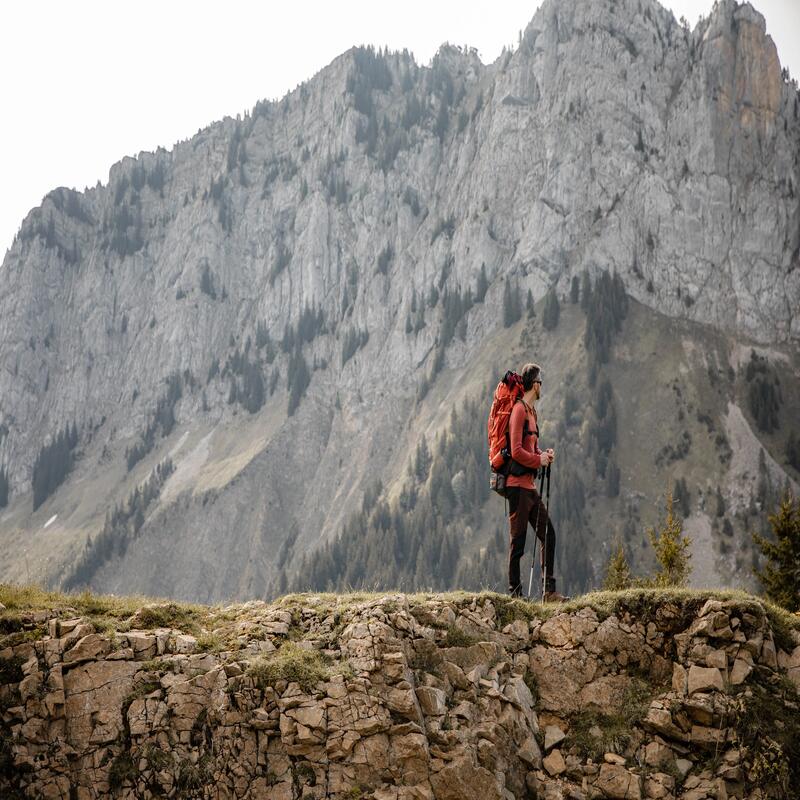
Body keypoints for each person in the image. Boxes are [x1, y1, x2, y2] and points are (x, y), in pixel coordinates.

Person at [506, 362, 566, 601]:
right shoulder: (519, 410)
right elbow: (516, 450)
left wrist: (544, 454)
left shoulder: (532, 413)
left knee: (548, 534)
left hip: (529, 487)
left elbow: (531, 447)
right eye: (541, 382)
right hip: (516, 487)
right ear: (535, 384)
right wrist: (537, 460)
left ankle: (548, 592)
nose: (543, 387)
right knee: (518, 541)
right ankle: (515, 594)